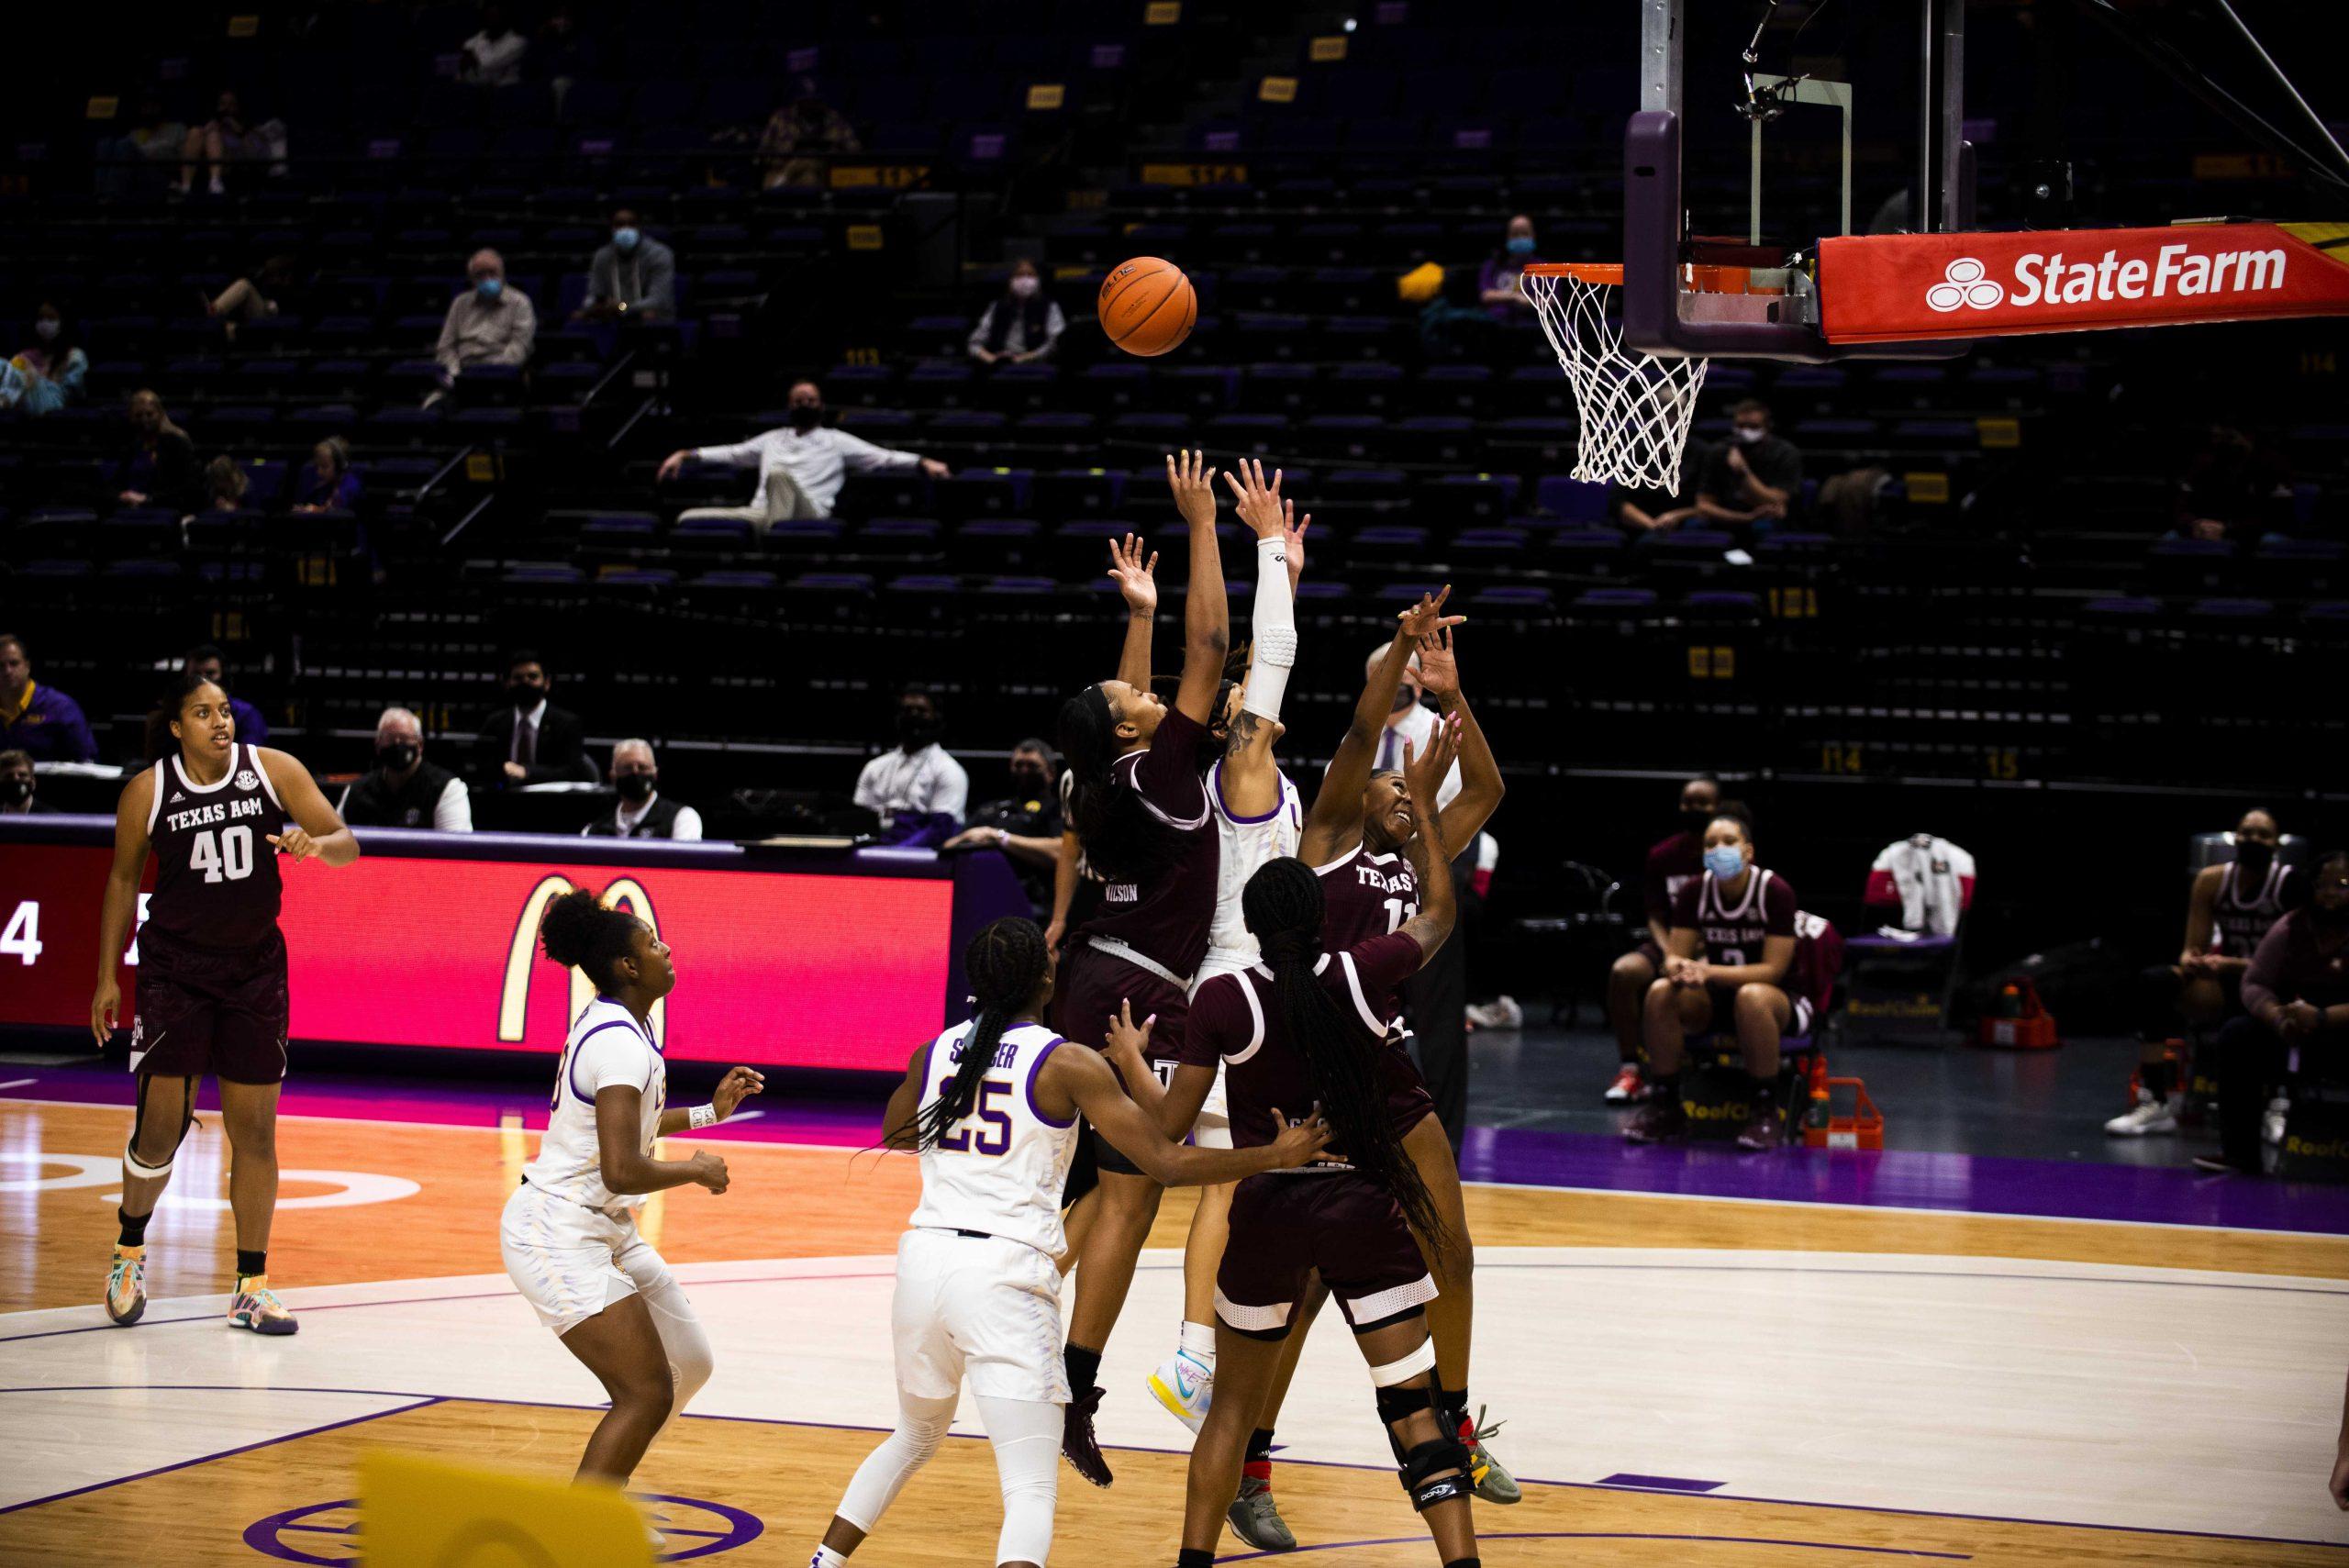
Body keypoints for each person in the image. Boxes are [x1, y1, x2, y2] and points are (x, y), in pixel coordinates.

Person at [809, 919, 1330, 1568]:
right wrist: (1271, 1154)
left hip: (923, 1264)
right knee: (1028, 1487)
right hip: (1001, 1275)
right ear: (1047, 979)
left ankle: (824, 1561)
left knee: (913, 1434)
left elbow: (897, 1132)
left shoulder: (934, 1050)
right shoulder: (1066, 1062)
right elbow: (1165, 1161)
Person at [1219, 594, 1506, 1550]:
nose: (1394, 788)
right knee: (1301, 1289)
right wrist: (1396, 658)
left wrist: (1456, 703)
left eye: (1403, 790)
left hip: (1382, 1064)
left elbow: (1487, 793)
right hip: (1311, 1064)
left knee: (1452, 1249)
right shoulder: (1329, 843)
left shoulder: (1418, 852)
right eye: (1387, 786)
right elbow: (1355, 737)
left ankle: (1455, 1427)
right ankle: (1252, 1461)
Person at [1168, 727, 1481, 1568]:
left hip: (1275, 1197)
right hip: (1353, 1175)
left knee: (1231, 1407)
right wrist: (1428, 797)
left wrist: (1136, 1066)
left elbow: (1171, 1131)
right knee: (1406, 1401)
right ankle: (1461, 1551)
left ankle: (1194, 1552)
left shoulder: (1224, 997)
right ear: (1317, 911)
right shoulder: (1357, 962)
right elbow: (1441, 915)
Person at [1048, 450, 1231, 1487]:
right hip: (1134, 992)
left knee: (1085, 1191)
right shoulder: (1158, 772)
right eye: (1134, 690)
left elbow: (1132, 696)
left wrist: (1137, 610)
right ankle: (1074, 1383)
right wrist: (1202, 524)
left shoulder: (1101, 776)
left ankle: (1045, 1351)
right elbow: (1210, 645)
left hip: (1087, 973)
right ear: (1127, 724)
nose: (1148, 689)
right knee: (1131, 1195)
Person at [91, 672, 360, 1332]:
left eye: (226, 711)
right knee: (160, 1130)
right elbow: (123, 880)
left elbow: (347, 845)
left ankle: (252, 1283)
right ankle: (129, 1247)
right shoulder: (148, 790)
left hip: (253, 971)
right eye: (204, 713)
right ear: (177, 726)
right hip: (173, 971)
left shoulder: (273, 770)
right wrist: (106, 976)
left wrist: (312, 843)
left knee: (256, 1133)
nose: (221, 722)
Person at [1136, 462, 1312, 1442]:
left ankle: (1205, 1352)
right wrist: (1263, 547)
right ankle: (1198, 1351)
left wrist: (1289, 562)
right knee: (1236, 1175)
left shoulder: (1255, 769)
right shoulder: (1244, 762)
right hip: (1240, 980)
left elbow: (1276, 649)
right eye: (1256, 687)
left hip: (1235, 980)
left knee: (1241, 1175)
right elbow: (1274, 648)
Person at [501, 888, 762, 1511]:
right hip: (558, 1232)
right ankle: (581, 1526)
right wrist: (695, 1170)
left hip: (603, 1227)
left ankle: (606, 1475)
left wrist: (709, 1112)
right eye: (652, 943)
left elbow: (628, 1127)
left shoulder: (622, 1026)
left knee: (688, 1365)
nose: (665, 948)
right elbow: (621, 1167)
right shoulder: (617, 1042)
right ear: (627, 966)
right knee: (645, 1391)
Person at [2110, 808, 2298, 1137]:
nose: (2253, 839)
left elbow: (2294, 961)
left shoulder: (2287, 884)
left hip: (2270, 984)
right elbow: (2191, 948)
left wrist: (2234, 965)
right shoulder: (2211, 879)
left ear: (2276, 844)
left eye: (2262, 834)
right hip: (2223, 982)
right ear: (2235, 838)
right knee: (2155, 982)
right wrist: (2194, 961)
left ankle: (2276, 1105)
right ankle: (2155, 1101)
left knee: (2282, 995)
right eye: (2246, 832)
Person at [1626, 810, 1800, 1151]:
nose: (1718, 848)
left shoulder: (1775, 891)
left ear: (1748, 851)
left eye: (1728, 841)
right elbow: (1676, 954)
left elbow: (1773, 970)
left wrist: (1708, 971)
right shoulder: (1694, 891)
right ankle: (1666, 1104)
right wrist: (1678, 968)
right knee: (1661, 991)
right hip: (1717, 998)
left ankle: (1765, 1110)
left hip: (1777, 1001)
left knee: (1751, 996)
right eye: (1710, 844)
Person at [2194, 851, 2349, 1176]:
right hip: (2295, 1033)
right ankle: (2240, 1154)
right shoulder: (2292, 925)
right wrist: (2278, 1018)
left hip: (2340, 1033)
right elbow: (2254, 982)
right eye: (2323, 885)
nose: (2331, 893)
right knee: (2238, 1035)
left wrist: (2322, 1017)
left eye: (2343, 885)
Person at [656, 380, 950, 530]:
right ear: (789, 406)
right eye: (799, 401)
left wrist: (923, 461)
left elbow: (883, 457)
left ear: (821, 406)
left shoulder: (837, 440)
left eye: (810, 400)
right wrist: (686, 454)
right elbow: (733, 453)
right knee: (688, 517)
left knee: (778, 474)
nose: (805, 404)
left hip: (809, 513)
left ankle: (771, 551)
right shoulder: (772, 439)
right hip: (762, 513)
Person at [1606, 773, 1723, 1103]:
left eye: (1702, 803)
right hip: (1669, 944)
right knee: (1623, 972)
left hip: (1716, 950)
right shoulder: (1663, 855)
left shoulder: (1727, 858)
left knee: (1687, 990)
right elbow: (1655, 915)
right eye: (1688, 802)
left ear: (1717, 807)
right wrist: (1670, 952)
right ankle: (1630, 1068)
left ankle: (1697, 1065)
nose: (1694, 808)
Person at [943, 740, 1064, 911]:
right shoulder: (991, 809)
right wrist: (966, 837)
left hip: (1032, 904)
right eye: (1019, 765)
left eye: (1032, 766)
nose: (1024, 771)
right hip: (982, 900)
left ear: (1051, 773)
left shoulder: (1056, 809)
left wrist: (1000, 838)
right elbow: (946, 847)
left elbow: (1061, 851)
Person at [852, 688, 969, 848]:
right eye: (907, 710)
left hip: (919, 860)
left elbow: (940, 829)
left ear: (936, 718)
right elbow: (857, 820)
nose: (913, 716)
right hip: (873, 852)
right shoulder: (875, 767)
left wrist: (897, 853)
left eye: (921, 711)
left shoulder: (949, 770)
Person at [338, 707, 473, 830]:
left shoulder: (447, 789)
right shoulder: (356, 792)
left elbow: (457, 849)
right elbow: (333, 844)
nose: (397, 744)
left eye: (404, 738)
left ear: (420, 744)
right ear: (378, 745)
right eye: (389, 739)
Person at [473, 651, 591, 789]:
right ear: (507, 684)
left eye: (532, 677)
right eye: (518, 678)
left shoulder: (566, 723)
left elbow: (574, 772)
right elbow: (480, 765)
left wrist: (527, 772)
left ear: (546, 683)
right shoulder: (495, 723)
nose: (525, 682)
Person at [432, 250, 537, 397]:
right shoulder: (460, 303)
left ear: (502, 274)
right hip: (462, 376)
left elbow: (519, 348)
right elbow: (445, 347)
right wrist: (456, 373)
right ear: (472, 279)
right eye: (480, 275)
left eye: (492, 273)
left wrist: (487, 373)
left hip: (502, 377)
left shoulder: (520, 303)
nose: (487, 278)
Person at [1695, 399, 1801, 528]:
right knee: (1695, 524)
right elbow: (1703, 504)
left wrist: (1744, 471)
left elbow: (1776, 500)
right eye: (1740, 426)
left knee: (1764, 526)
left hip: (1768, 519)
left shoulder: (1784, 453)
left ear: (1768, 427)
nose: (1745, 431)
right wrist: (1746, 518)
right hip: (1727, 515)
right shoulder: (1719, 451)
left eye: (1753, 426)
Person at [0, 634, 99, 763]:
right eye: (0, 665)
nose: (7, 671)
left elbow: (87, 760)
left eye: (14, 663)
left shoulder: (61, 707)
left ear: (27, 666)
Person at [583, 740, 702, 840]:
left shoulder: (681, 818)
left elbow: (681, 863)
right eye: (627, 768)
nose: (636, 773)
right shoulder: (595, 830)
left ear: (655, 774)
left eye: (643, 767)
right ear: (613, 776)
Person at [579, 210, 676, 322]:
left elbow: (658, 300)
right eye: (620, 224)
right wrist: (592, 307)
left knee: (650, 314)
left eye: (631, 224)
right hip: (612, 320)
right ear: (612, 228)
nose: (626, 229)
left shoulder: (659, 254)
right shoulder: (602, 256)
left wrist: (622, 307)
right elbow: (593, 296)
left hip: (651, 322)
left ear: (639, 227)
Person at [758, 85, 860, 189]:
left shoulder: (835, 120)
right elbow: (762, 154)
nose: (811, 105)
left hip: (824, 174)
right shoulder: (780, 119)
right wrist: (791, 159)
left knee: (809, 174)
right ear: (798, 101)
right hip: (784, 171)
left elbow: (855, 152)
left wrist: (830, 154)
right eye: (806, 101)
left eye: (815, 101)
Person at [969, 260, 1067, 365]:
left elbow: (1056, 342)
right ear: (1011, 280)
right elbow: (974, 343)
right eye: (1019, 275)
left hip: (1035, 364)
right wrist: (991, 358)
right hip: (998, 364)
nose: (1024, 280)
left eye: (1030, 275)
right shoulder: (997, 307)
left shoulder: (1050, 307)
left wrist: (1026, 357)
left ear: (1038, 280)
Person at [177, 90, 272, 197]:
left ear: (238, 107)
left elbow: (257, 159)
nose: (226, 109)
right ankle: (186, 186)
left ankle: (215, 182)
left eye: (231, 104)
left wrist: (240, 134)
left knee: (213, 136)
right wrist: (207, 131)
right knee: (196, 132)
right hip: (203, 173)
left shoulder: (251, 132)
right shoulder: (210, 128)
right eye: (222, 104)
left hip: (236, 174)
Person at [0, 303, 88, 416]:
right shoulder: (27, 354)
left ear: (62, 323)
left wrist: (39, 378)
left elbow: (74, 393)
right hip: (23, 399)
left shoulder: (75, 355)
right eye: (41, 319)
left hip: (57, 400)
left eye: (51, 319)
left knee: (23, 369)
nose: (44, 324)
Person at [117, 390, 196, 512]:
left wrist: (148, 499)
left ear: (160, 414)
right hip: (129, 507)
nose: (144, 420)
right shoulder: (132, 447)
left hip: (162, 509)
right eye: (138, 415)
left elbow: (186, 487)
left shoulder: (177, 443)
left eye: (149, 414)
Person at [182, 645, 267, 745]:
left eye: (210, 673)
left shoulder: (246, 715)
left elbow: (249, 756)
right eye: (196, 674)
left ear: (223, 675)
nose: (202, 680)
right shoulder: (176, 712)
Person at [1478, 214, 1542, 318]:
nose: (1520, 238)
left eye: (1525, 233)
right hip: (1496, 321)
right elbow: (1486, 295)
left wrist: (1530, 302)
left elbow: (1552, 301)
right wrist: (1515, 297)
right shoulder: (1493, 265)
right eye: (1515, 234)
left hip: (1532, 322)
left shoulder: (1543, 267)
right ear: (1507, 237)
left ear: (1533, 235)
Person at [460, 5, 529, 86]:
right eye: (488, 16)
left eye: (495, 16)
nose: (491, 20)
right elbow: (466, 49)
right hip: (477, 89)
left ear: (506, 18)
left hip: (508, 92)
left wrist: (474, 57)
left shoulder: (518, 42)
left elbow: (489, 64)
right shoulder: (480, 37)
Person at [291, 438, 360, 513]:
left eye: (324, 466)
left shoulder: (351, 486)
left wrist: (316, 510)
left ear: (340, 466)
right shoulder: (323, 486)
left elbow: (339, 513)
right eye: (317, 466)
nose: (319, 472)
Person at [0, 749, 55, 815]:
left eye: (22, 775)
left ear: (33, 782)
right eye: (9, 776)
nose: (16, 779)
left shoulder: (51, 818)